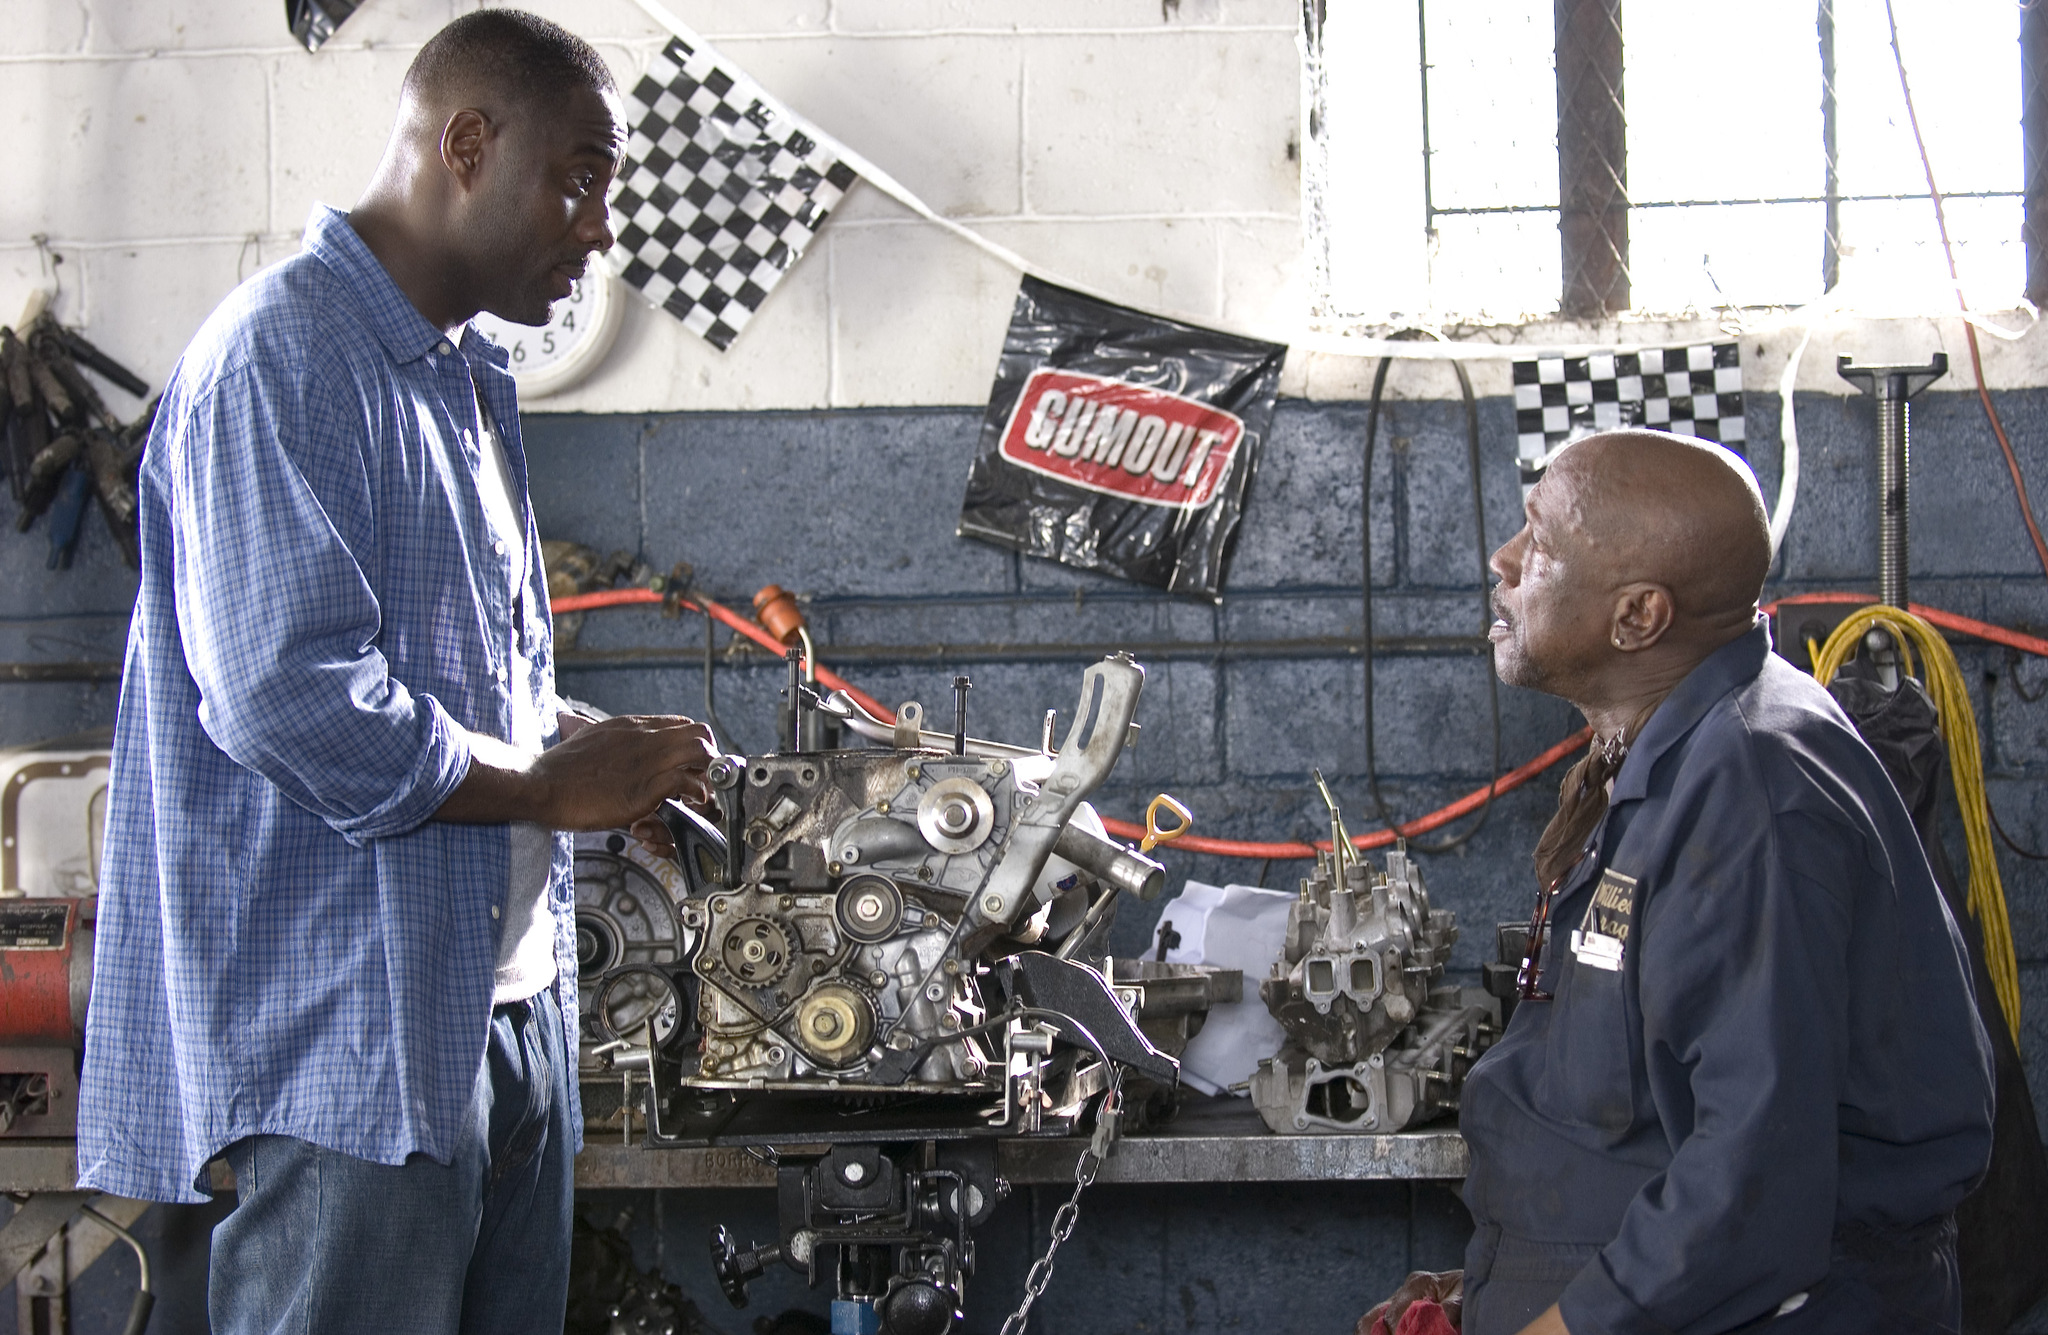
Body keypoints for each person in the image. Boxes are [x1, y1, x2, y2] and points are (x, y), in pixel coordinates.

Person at [76, 13, 713, 1333]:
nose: (599, 227)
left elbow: (453, 689)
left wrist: (605, 757)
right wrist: (547, 783)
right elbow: (290, 692)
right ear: (468, 145)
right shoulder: (283, 353)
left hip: (503, 1012)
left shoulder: (459, 379)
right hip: (349, 1052)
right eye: (580, 177)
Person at [1370, 430, 1994, 1335]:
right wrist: (1511, 1276)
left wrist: (1561, 1321)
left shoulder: (1754, 792)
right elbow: (1640, 1123)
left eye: (1538, 543)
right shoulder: (1670, 755)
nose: (1502, 562)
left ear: (1637, 618)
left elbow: (1753, 1179)